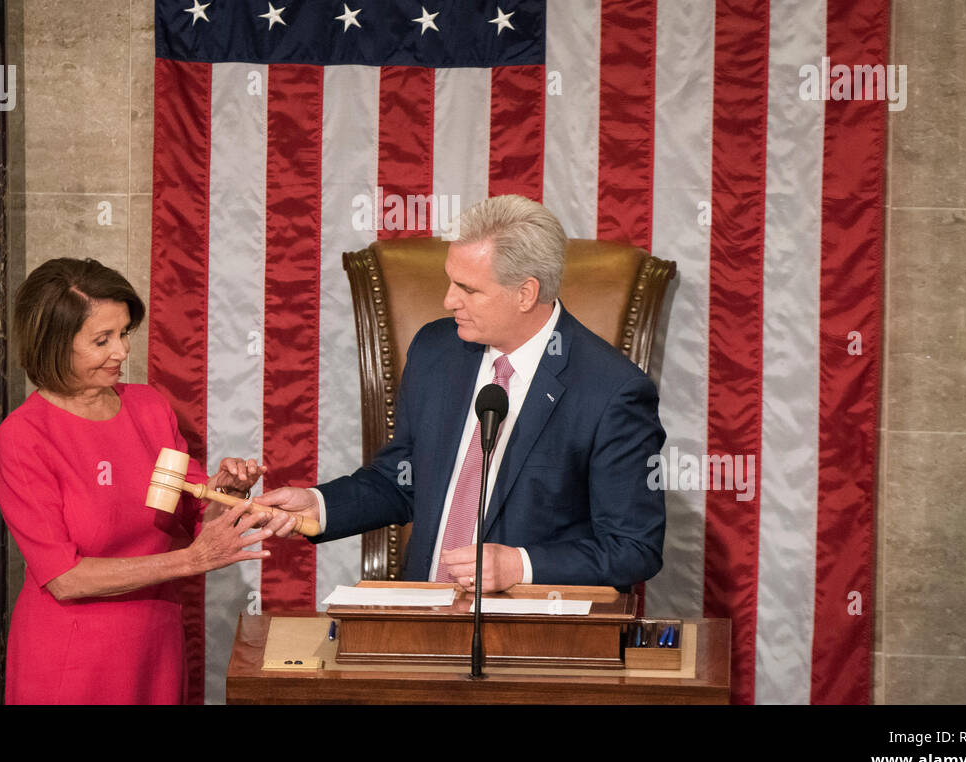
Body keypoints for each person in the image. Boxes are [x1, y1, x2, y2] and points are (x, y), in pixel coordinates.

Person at [258, 195, 666, 592]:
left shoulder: (612, 391)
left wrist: (519, 566)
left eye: (467, 288)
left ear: (525, 293)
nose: (448, 300)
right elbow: (403, 479)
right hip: (422, 621)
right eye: (450, 281)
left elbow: (633, 548)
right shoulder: (437, 350)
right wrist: (320, 505)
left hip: (533, 635)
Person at [0, 257, 291, 704]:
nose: (123, 351)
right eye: (102, 340)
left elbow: (191, 516)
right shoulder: (24, 437)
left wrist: (225, 492)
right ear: (53, 344)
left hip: (156, 645)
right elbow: (64, 578)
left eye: (124, 332)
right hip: (73, 661)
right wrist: (191, 561)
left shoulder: (149, 407)